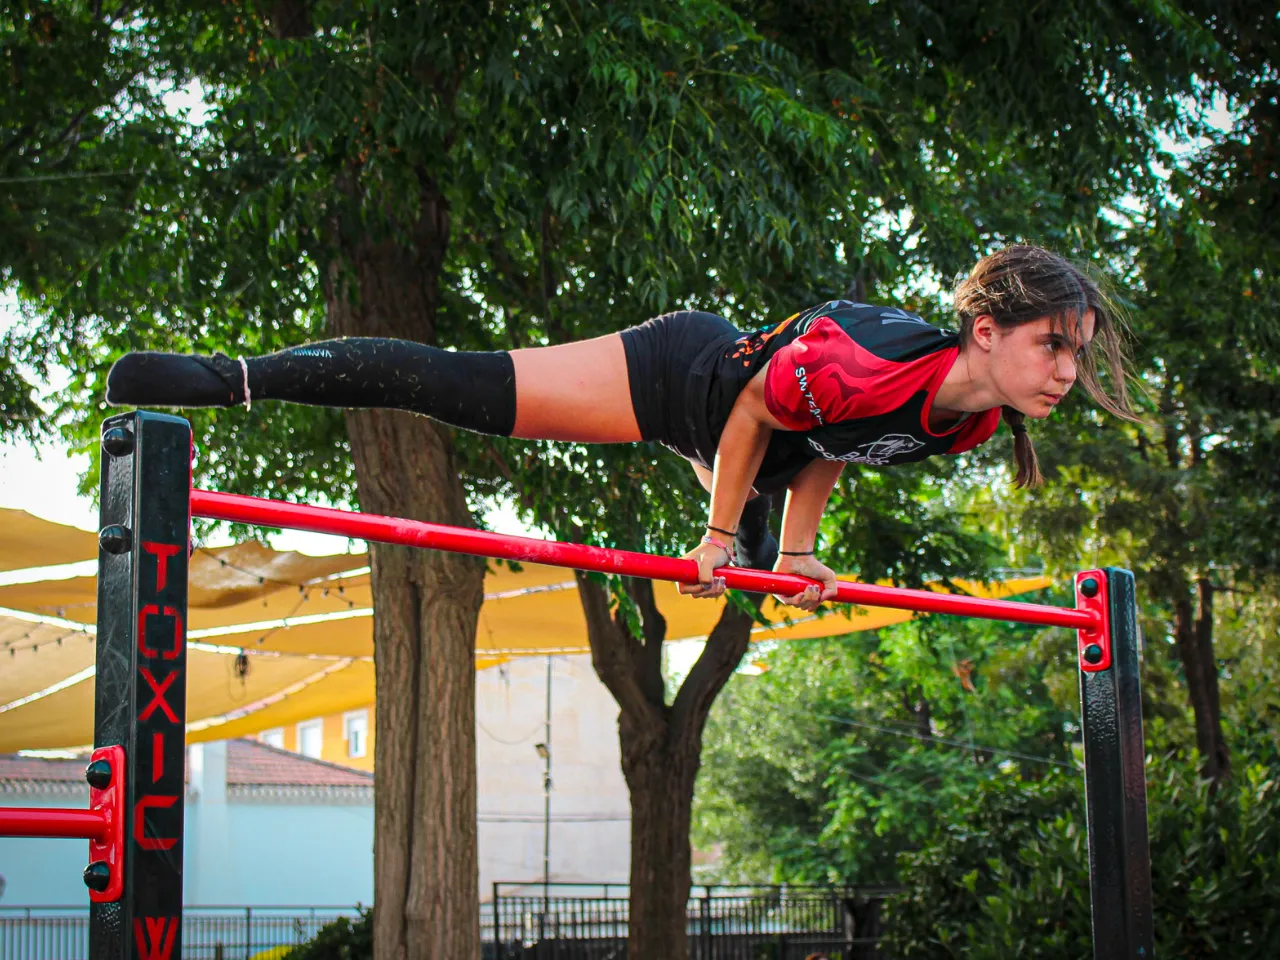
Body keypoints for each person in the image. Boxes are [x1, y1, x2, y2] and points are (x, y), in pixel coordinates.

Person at [106, 244, 1134, 610]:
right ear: (986, 331)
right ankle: (232, 377)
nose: (1066, 372)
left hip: (754, 447)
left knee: (762, 545)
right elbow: (759, 407)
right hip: (680, 380)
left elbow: (836, 445)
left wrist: (799, 553)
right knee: (462, 388)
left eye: (1076, 355)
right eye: (1053, 346)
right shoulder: (863, 354)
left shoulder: (968, 423)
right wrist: (719, 536)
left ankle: (750, 528)